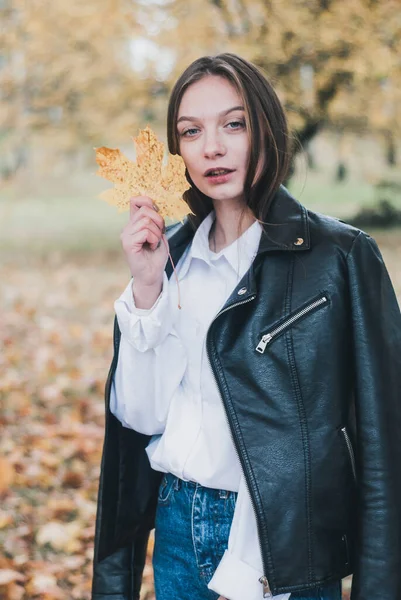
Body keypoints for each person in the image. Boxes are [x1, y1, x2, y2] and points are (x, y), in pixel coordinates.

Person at [91, 53, 401, 600]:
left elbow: (385, 443)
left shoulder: (341, 257)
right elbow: (137, 419)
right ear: (177, 150)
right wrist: (145, 289)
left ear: (266, 128)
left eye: (233, 124)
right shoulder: (168, 259)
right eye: (192, 132)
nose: (212, 147)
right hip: (179, 533)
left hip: (282, 544)